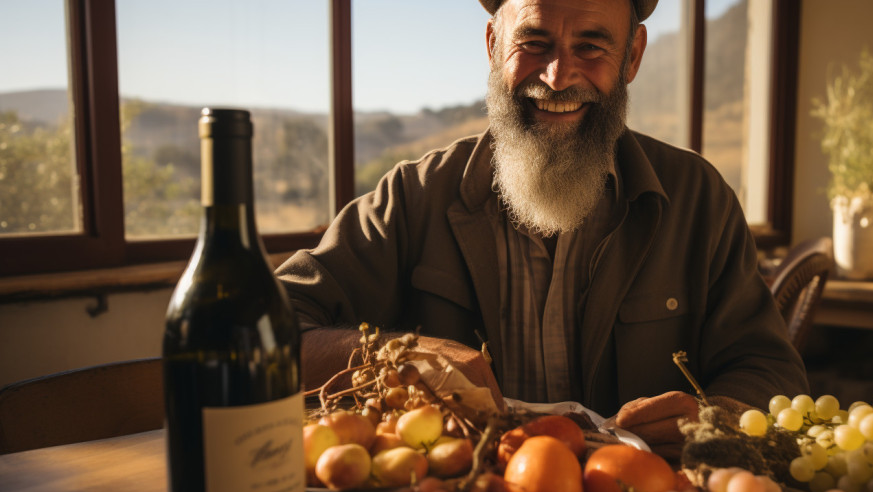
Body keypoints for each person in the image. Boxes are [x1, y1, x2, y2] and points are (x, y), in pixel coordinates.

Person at [275, 0, 809, 459]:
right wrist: (405, 357)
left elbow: (769, 369)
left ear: (634, 57)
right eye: (534, 41)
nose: (558, 77)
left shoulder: (699, 199)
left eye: (592, 47)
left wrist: (712, 416)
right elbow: (268, 331)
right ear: (492, 44)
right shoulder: (413, 197)